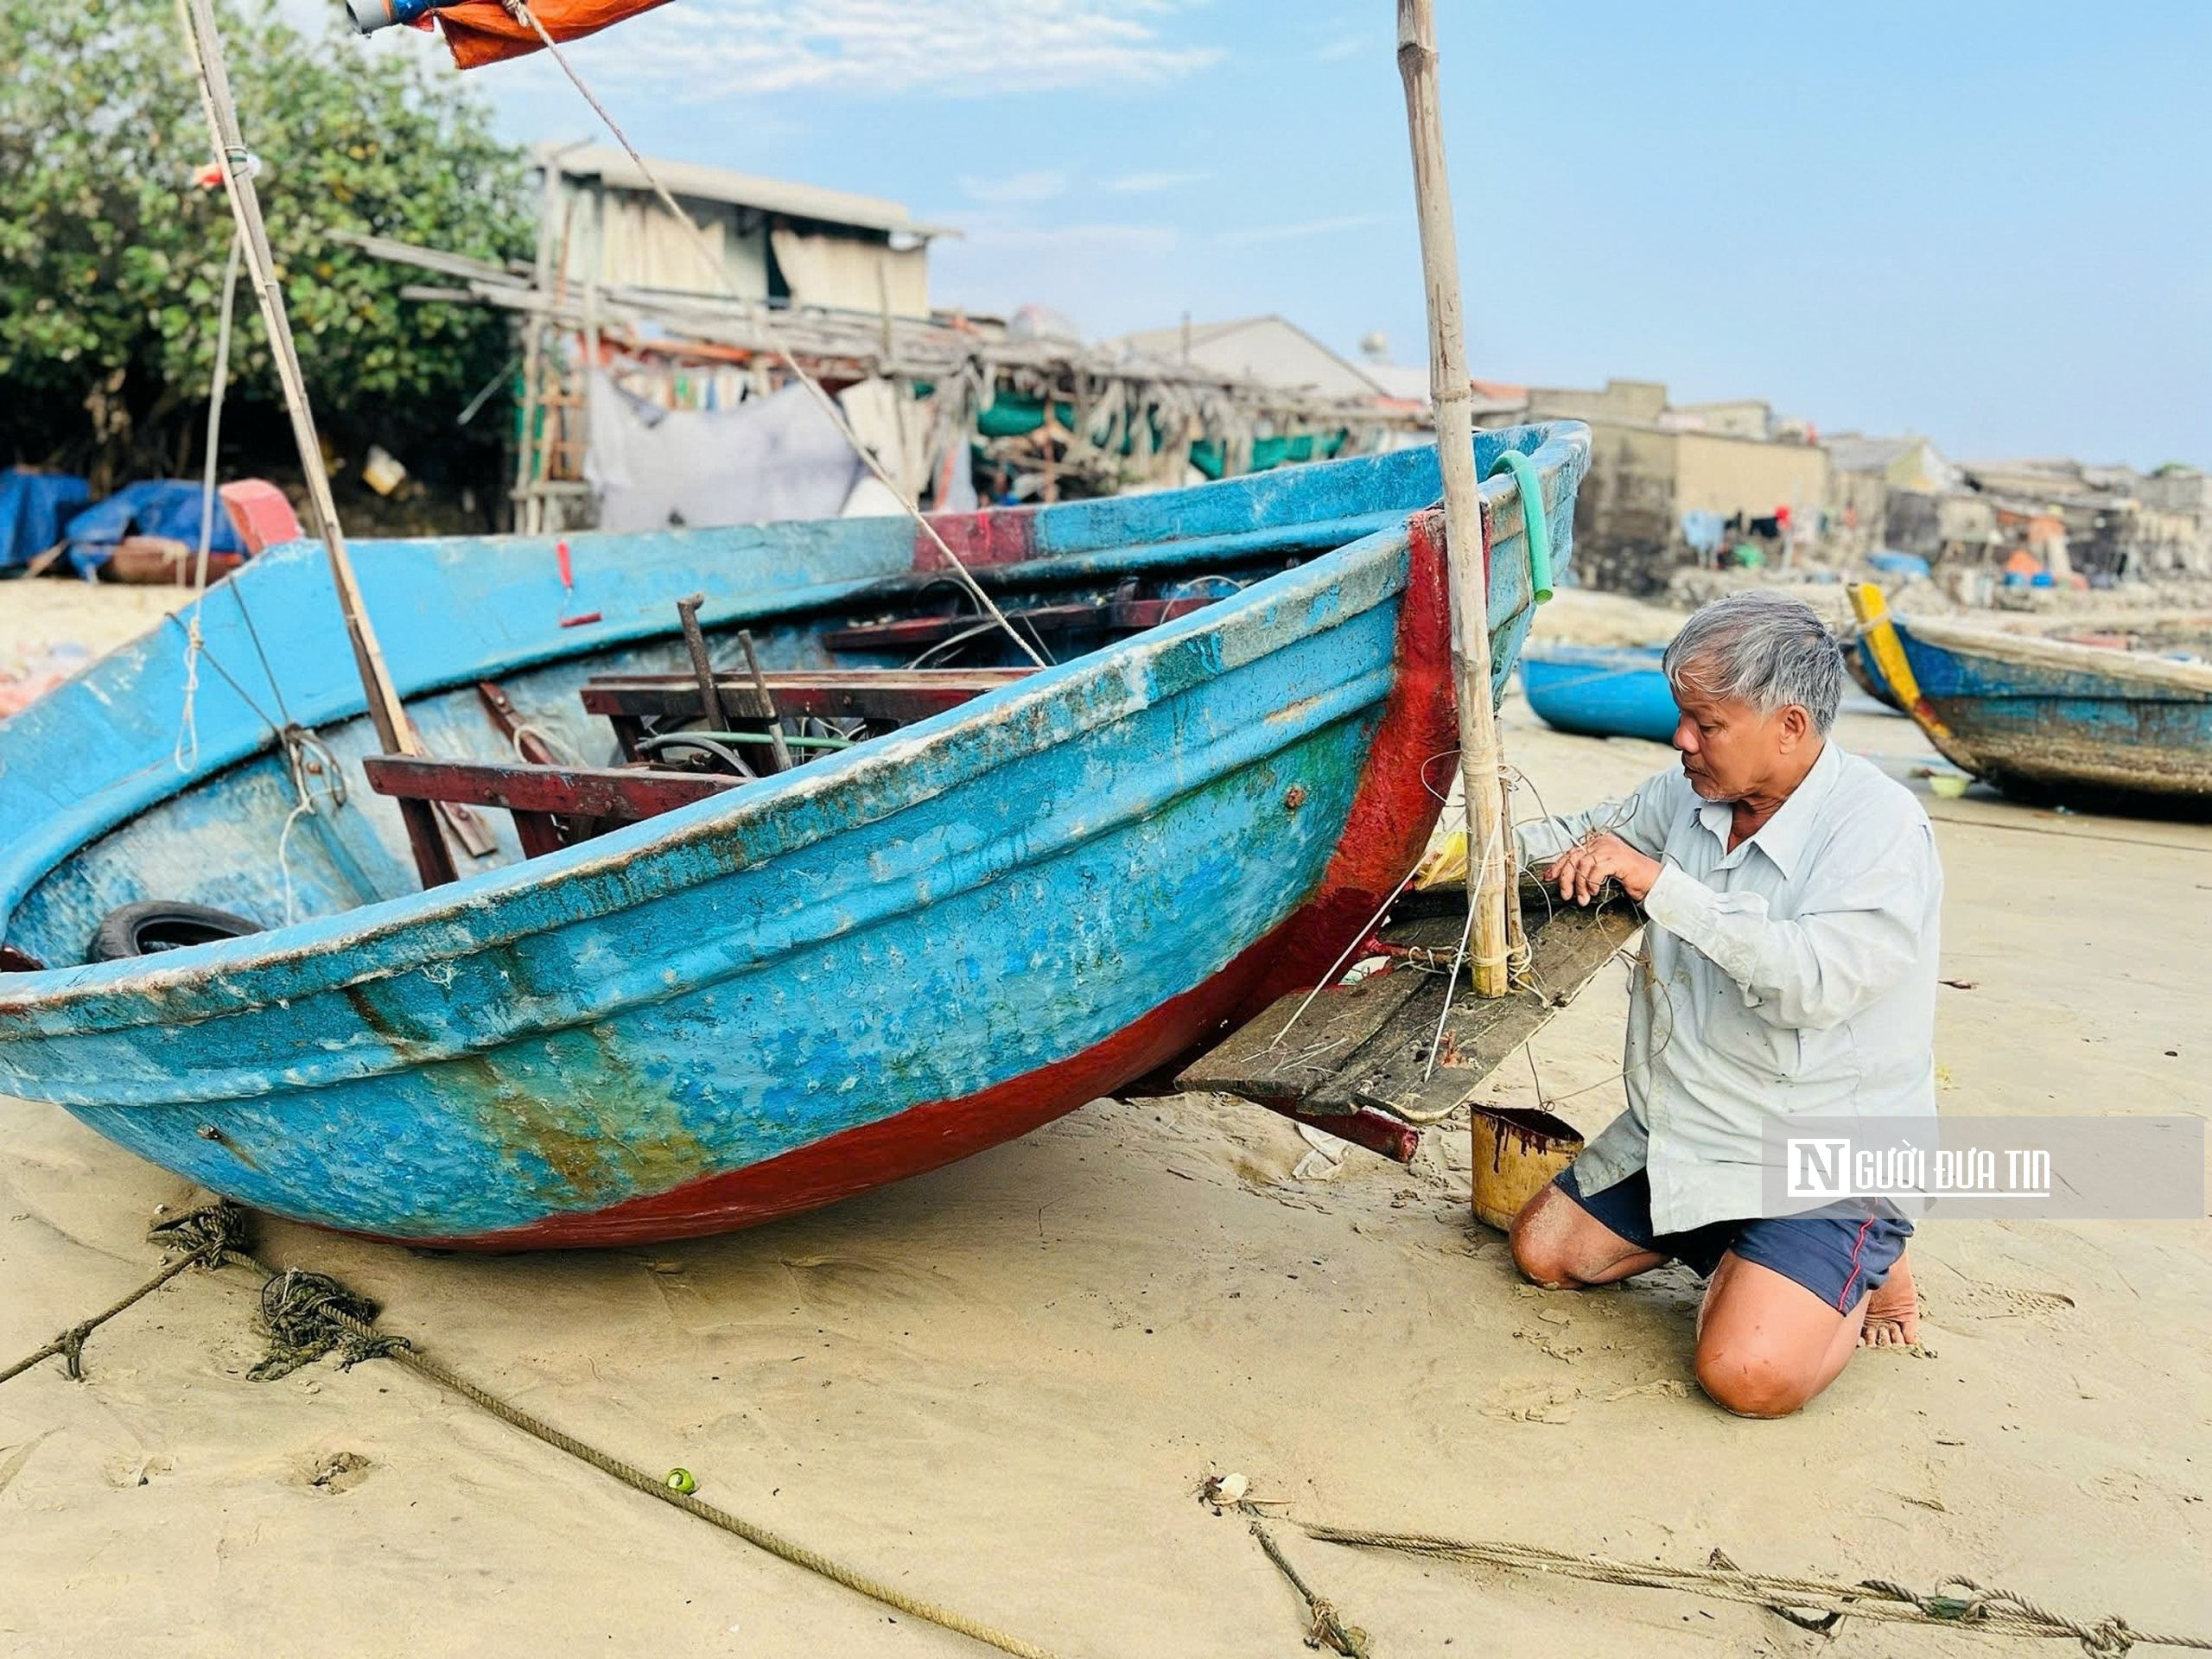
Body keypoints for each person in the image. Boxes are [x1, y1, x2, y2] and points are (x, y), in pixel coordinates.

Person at [1508, 590, 1941, 1417]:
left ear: (1789, 726)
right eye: (1682, 717)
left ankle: (1862, 1249)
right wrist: (1450, 851)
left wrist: (1661, 886)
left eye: (1705, 724)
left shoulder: (1881, 827)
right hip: (1697, 1125)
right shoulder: (1688, 793)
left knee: (1746, 1374)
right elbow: (1578, 837)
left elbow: (1815, 981)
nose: (1681, 739)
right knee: (1545, 1252)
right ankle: (1769, 1263)